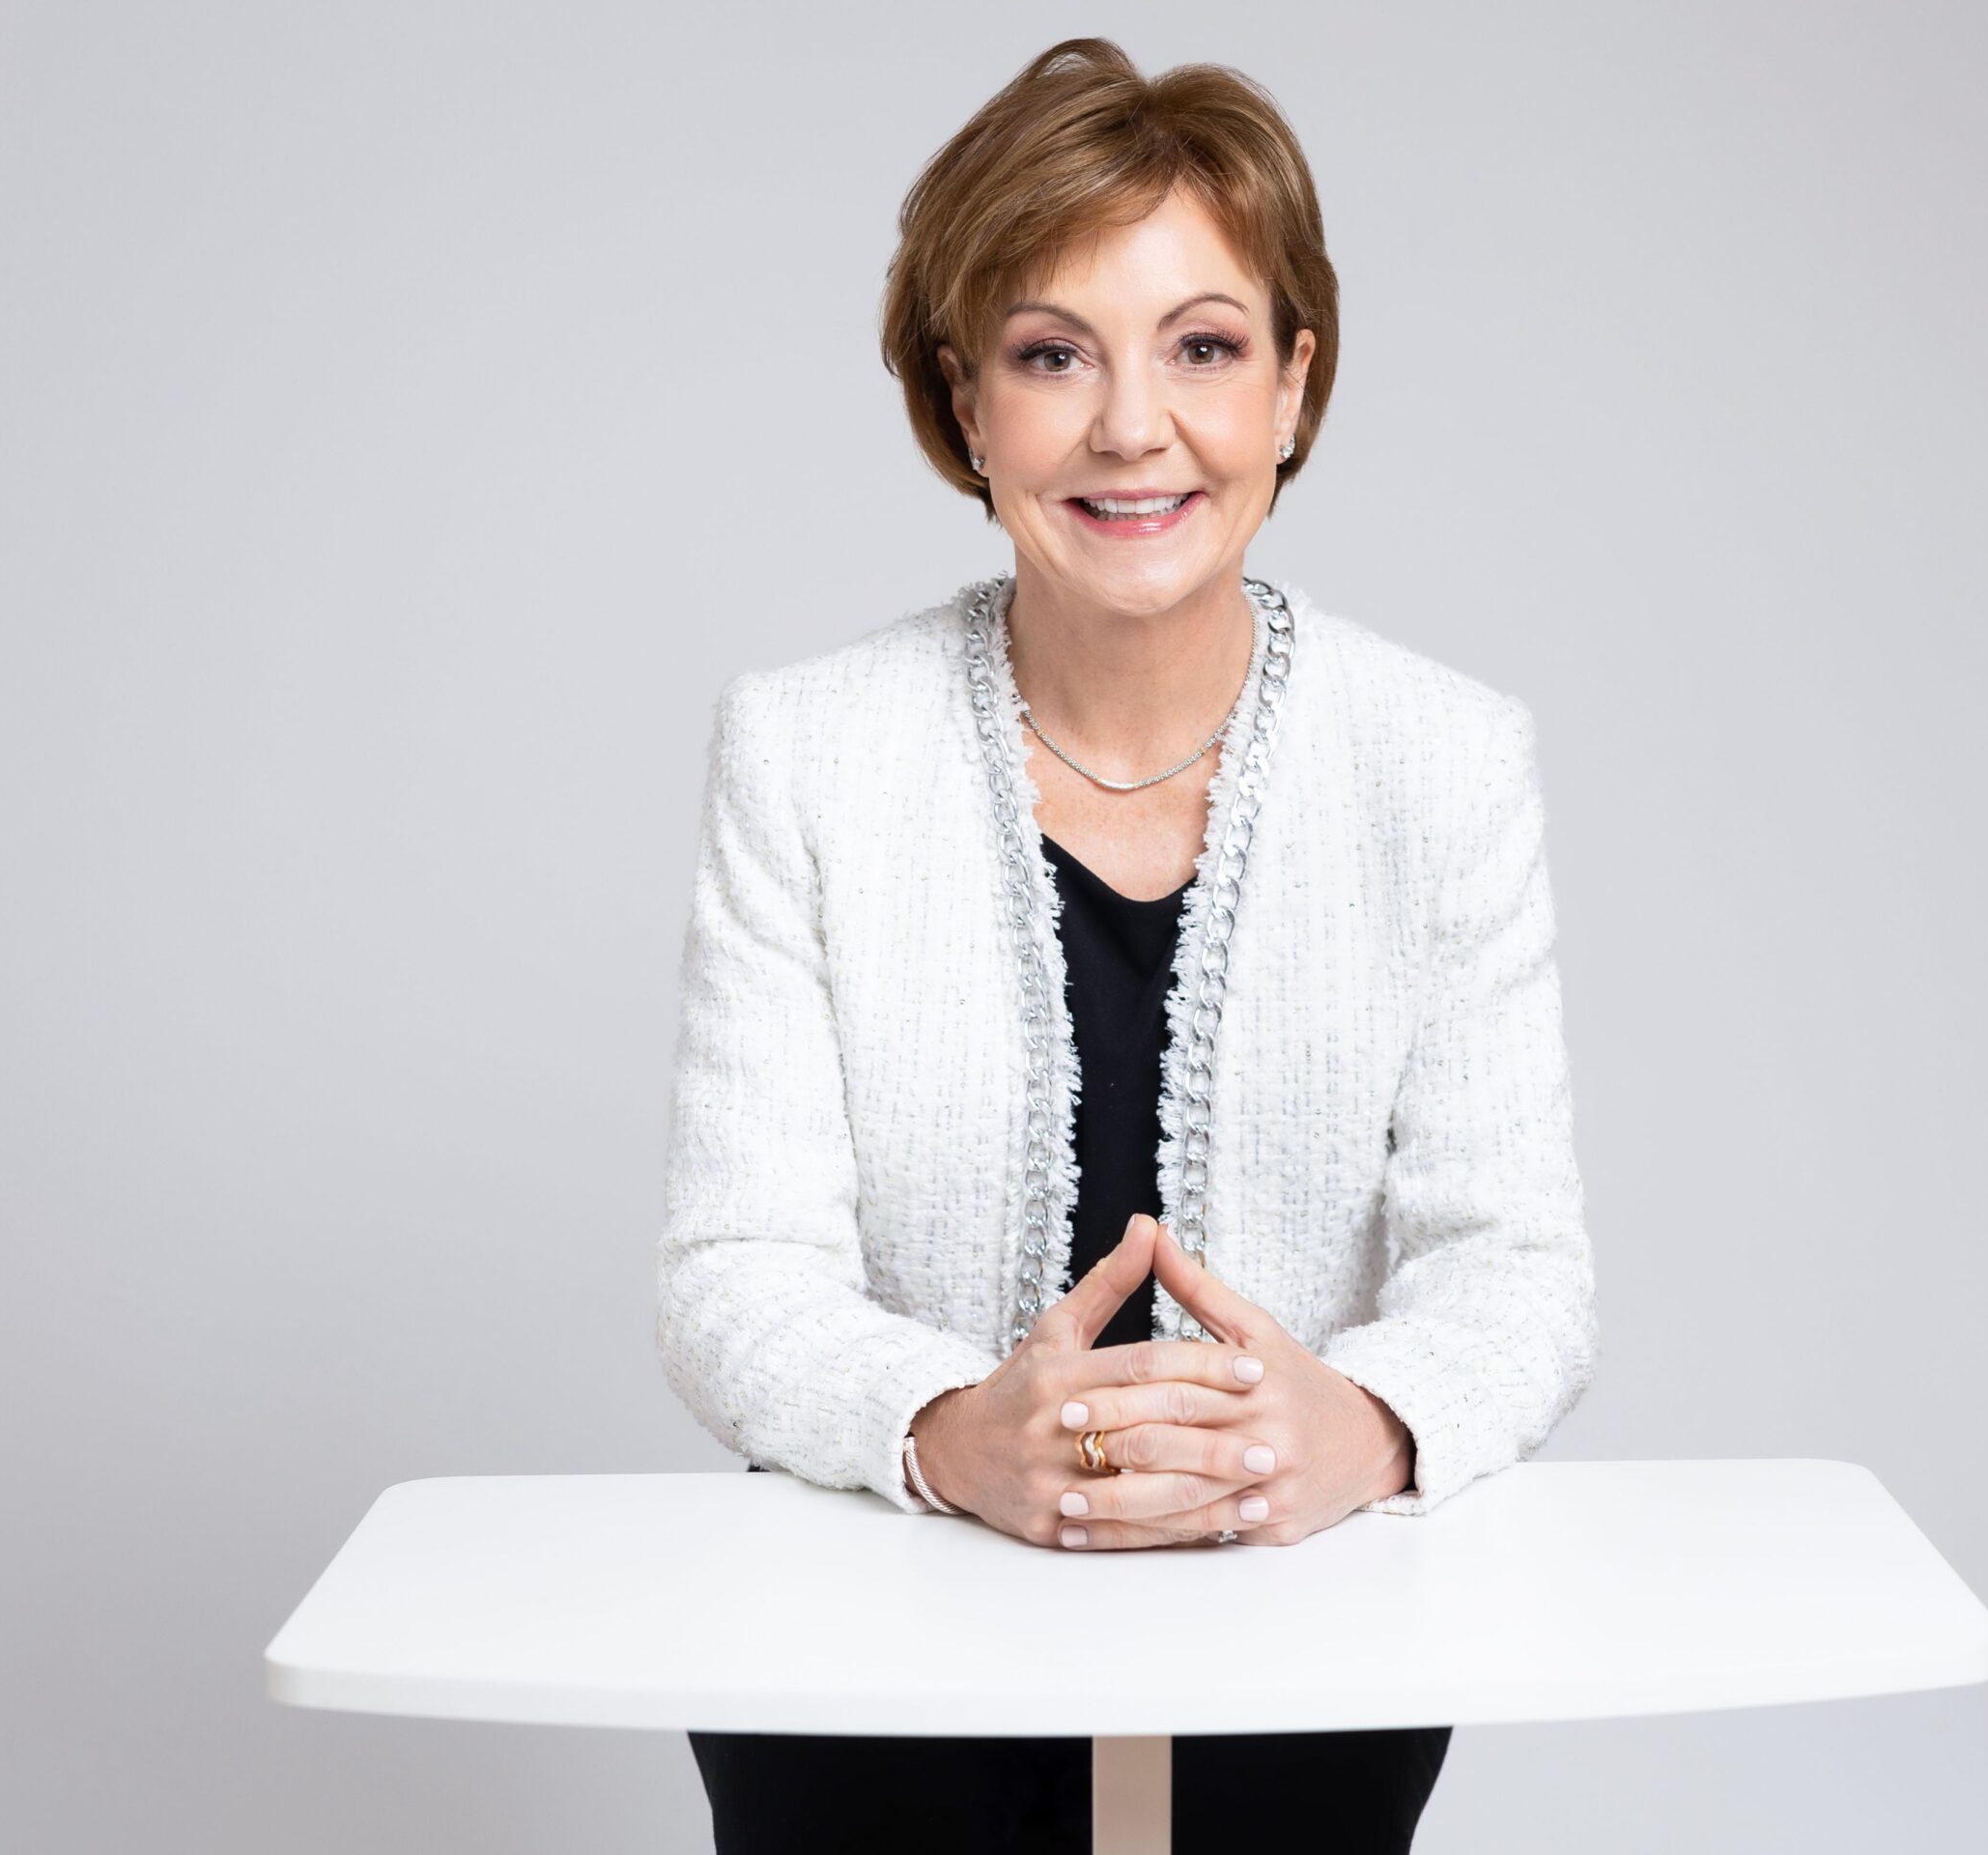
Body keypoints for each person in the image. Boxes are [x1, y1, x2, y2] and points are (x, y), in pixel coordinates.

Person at [658, 36, 1599, 1853]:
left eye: (1204, 346)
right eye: (1050, 353)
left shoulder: (1445, 760)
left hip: (1303, 1659)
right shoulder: (806, 750)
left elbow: (1520, 1269)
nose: (1129, 427)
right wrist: (948, 1427)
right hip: (870, 1675)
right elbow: (729, 1272)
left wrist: (1365, 1429)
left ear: (1295, 385)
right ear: (965, 400)